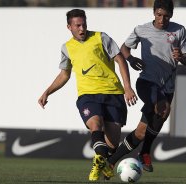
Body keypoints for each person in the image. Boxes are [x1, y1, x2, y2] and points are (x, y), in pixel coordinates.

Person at [38, 9, 137, 181]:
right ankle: (98, 159)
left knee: (113, 143)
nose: (82, 28)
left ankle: (104, 161)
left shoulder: (101, 37)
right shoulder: (67, 48)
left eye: (84, 24)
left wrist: (127, 87)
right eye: (77, 25)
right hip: (88, 95)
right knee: (95, 124)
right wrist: (47, 91)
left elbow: (120, 60)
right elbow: (64, 75)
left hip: (113, 94)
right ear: (69, 27)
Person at [106, 0, 186, 174]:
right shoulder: (142, 30)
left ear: (171, 15)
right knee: (163, 108)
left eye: (166, 16)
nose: (162, 19)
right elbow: (124, 49)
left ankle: (110, 163)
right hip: (146, 83)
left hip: (167, 88)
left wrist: (181, 57)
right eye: (159, 15)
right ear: (154, 13)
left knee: (140, 132)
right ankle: (145, 153)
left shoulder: (179, 30)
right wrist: (131, 59)